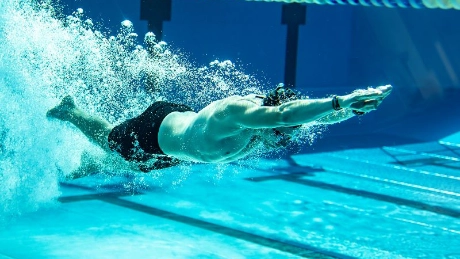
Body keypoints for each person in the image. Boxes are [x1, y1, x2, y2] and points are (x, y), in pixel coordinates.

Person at [47, 84, 392, 174]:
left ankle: (94, 164)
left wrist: (353, 111)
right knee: (111, 142)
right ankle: (71, 111)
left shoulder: (267, 127)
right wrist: (340, 101)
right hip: (159, 130)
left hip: (182, 151)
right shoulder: (238, 113)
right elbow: (285, 116)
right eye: (283, 133)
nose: (282, 141)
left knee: (138, 165)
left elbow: (300, 118)